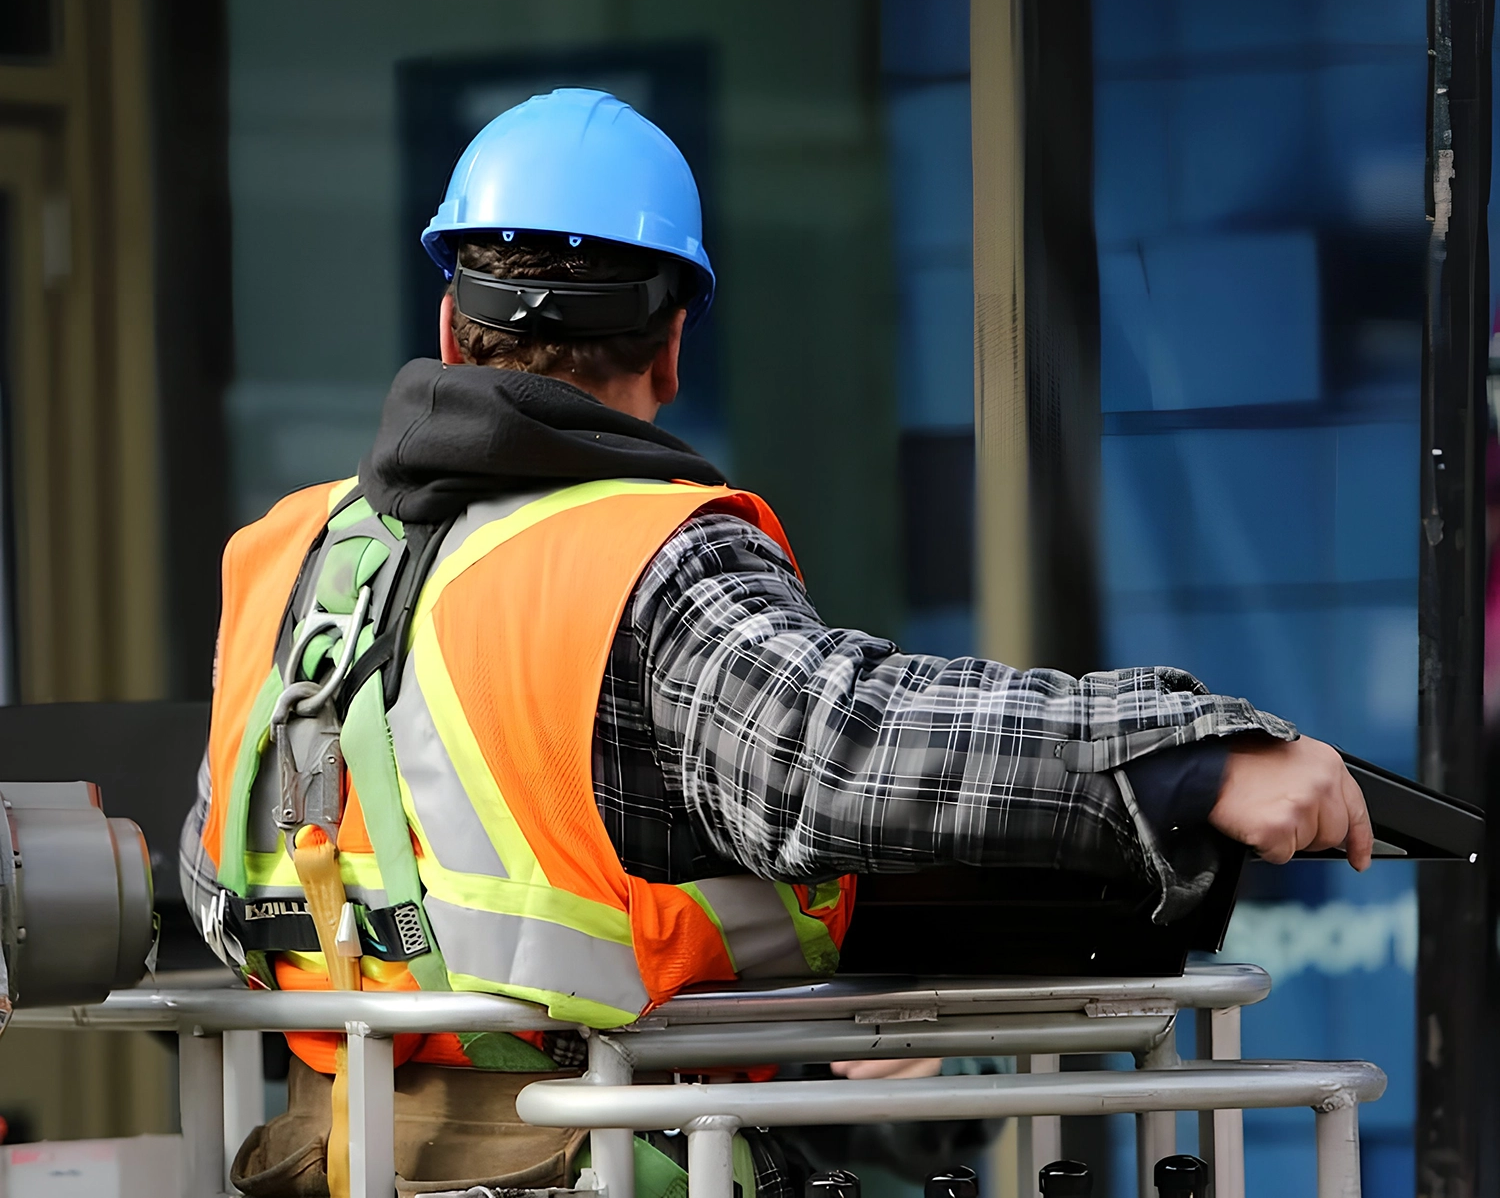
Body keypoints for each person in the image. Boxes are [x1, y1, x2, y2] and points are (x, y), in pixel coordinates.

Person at [180, 88, 1371, 1198]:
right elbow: (837, 748)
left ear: (448, 321)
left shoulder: (284, 558)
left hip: (340, 1154)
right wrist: (1190, 757)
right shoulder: (640, 557)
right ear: (672, 345)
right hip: (593, 1158)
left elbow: (219, 859)